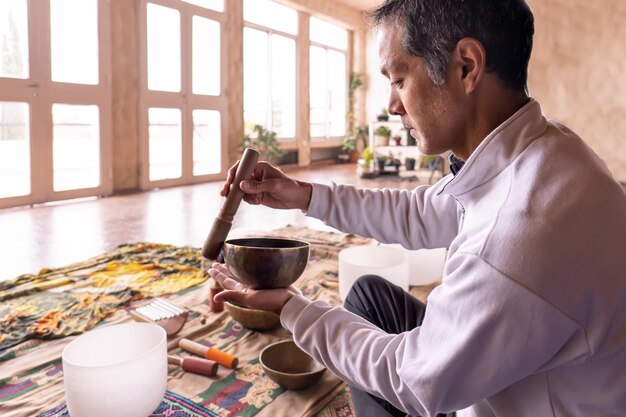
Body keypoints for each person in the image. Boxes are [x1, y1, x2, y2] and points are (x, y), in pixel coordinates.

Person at [209, 0, 626, 416]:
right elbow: (421, 211)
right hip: (522, 375)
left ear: (466, 66)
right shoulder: (545, 149)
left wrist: (290, 308)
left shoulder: (515, 238)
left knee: (377, 363)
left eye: (399, 79)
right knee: (368, 296)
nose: (393, 105)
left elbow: (411, 381)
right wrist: (303, 194)